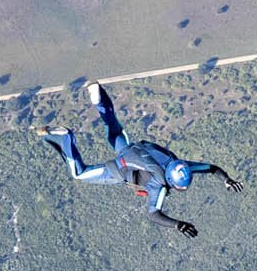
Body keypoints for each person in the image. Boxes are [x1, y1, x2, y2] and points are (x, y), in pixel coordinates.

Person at [37, 81, 240, 237]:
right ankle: (65, 137)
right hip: (118, 170)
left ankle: (97, 94)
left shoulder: (179, 164)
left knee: (113, 127)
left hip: (130, 148)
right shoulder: (158, 185)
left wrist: (227, 179)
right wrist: (178, 225)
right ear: (172, 182)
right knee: (79, 174)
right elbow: (154, 214)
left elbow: (210, 168)